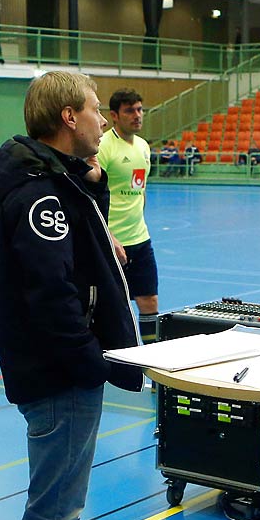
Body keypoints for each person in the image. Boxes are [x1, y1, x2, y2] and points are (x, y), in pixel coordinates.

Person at [0, 71, 138, 520]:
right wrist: (88, 363)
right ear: (69, 118)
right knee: (51, 514)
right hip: (58, 373)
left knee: (61, 506)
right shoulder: (39, 197)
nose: (104, 121)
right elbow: (53, 296)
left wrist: (91, 181)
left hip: (56, 369)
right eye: (96, 112)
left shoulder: (51, 183)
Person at [94, 89, 159, 342]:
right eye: (130, 111)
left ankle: (153, 358)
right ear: (114, 116)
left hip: (140, 240)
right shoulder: (104, 147)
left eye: (140, 110)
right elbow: (93, 196)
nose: (137, 115)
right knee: (112, 307)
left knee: (149, 300)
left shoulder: (143, 147)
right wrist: (108, 236)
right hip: (110, 244)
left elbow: (140, 191)